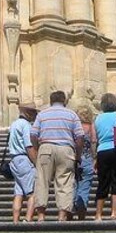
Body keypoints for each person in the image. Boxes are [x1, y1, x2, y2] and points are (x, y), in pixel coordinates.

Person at [30, 90, 84, 222]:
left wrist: (38, 148)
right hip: (66, 149)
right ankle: (61, 215)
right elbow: (80, 136)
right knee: (65, 183)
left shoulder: (42, 114)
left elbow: (33, 134)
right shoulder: (72, 114)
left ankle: (41, 216)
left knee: (42, 181)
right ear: (64, 100)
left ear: (50, 100)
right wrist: (78, 154)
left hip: (46, 148)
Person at [91, 92, 116, 220]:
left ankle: (98, 214)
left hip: (102, 151)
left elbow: (94, 139)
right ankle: (114, 212)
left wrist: (95, 157)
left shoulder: (97, 119)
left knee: (103, 182)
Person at [8, 102, 38, 223]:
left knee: (19, 193)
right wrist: (36, 162)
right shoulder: (26, 125)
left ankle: (15, 220)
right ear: (28, 113)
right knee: (32, 193)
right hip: (24, 160)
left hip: (14, 159)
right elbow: (29, 146)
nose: (35, 115)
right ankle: (28, 219)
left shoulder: (14, 124)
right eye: (34, 112)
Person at [73, 106, 95, 221]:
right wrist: (95, 157)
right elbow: (93, 142)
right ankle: (81, 216)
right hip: (87, 159)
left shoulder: (74, 127)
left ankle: (69, 214)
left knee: (72, 186)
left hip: (74, 158)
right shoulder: (91, 127)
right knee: (84, 187)